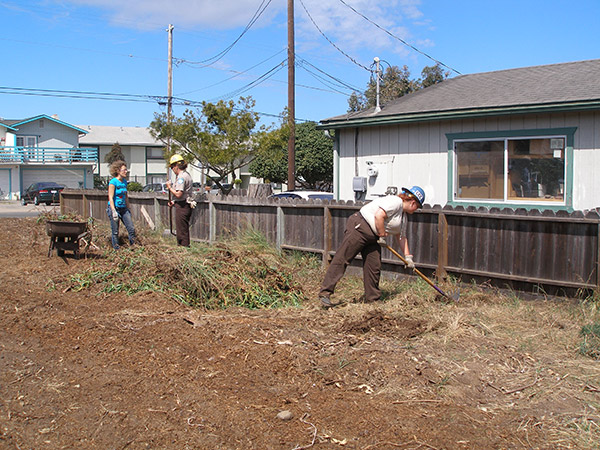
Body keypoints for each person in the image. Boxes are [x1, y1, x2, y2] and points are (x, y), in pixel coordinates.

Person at [319, 186, 425, 309]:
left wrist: (408, 257)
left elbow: (401, 236)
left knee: (373, 266)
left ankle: (373, 299)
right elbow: (379, 216)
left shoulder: (403, 216)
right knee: (343, 258)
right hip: (360, 227)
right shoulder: (395, 202)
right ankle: (325, 293)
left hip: (373, 236)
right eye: (417, 206)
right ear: (413, 203)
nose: (416, 209)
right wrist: (382, 235)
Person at [107, 160, 136, 249]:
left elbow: (126, 196)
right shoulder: (113, 182)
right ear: (118, 170)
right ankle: (116, 248)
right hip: (115, 208)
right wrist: (113, 211)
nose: (126, 172)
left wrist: (128, 208)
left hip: (124, 209)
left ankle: (133, 247)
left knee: (131, 229)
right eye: (124, 170)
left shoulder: (124, 182)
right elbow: (110, 197)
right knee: (115, 231)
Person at [166, 154, 194, 247]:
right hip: (184, 204)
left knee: (182, 231)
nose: (172, 169)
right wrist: (174, 202)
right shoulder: (186, 174)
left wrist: (169, 188)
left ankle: (184, 249)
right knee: (183, 229)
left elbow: (179, 194)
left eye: (172, 167)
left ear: (176, 166)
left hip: (183, 206)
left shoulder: (181, 177)